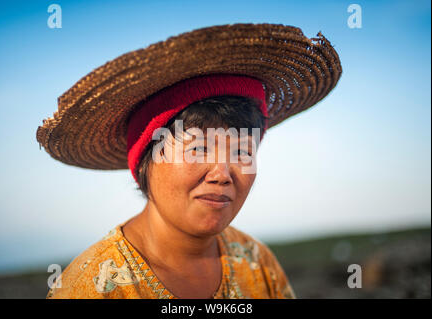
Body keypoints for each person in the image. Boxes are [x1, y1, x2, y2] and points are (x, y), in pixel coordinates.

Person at [37, 23, 342, 299]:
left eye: (242, 152)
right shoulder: (90, 288)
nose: (222, 174)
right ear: (146, 162)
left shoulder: (256, 262)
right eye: (198, 148)